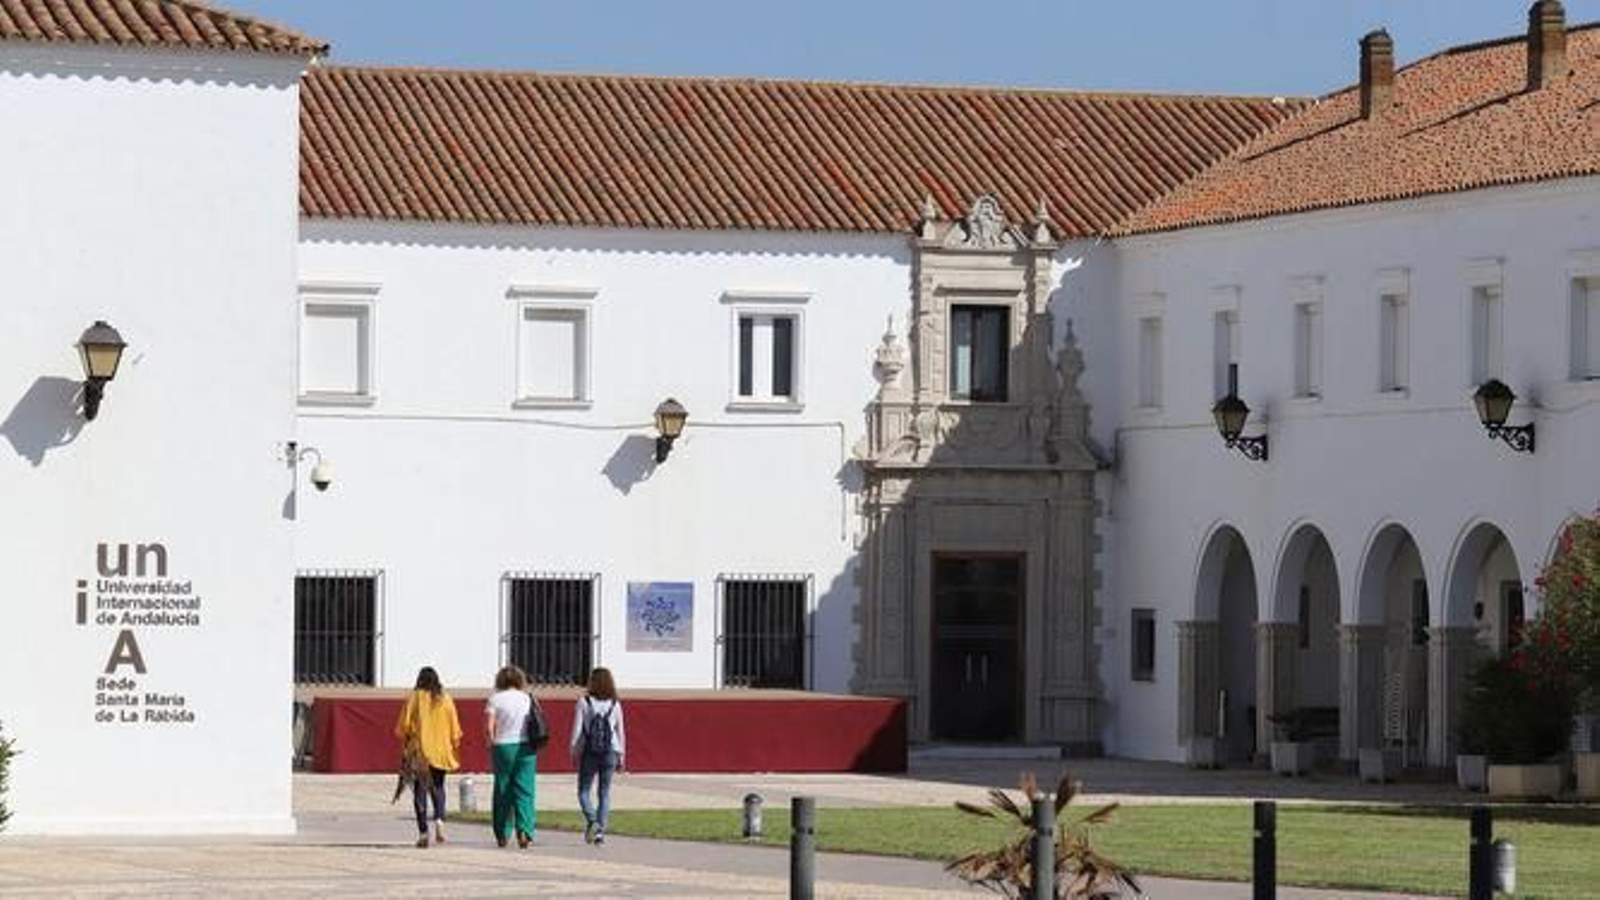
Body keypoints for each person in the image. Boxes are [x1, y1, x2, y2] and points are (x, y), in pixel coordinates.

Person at [393, 666, 462, 848]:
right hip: (440, 751)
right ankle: (439, 819)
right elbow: (455, 730)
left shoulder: (414, 698)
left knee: (420, 791)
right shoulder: (446, 699)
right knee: (438, 787)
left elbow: (404, 727)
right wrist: (454, 744)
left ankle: (423, 832)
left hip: (420, 752)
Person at [570, 666, 626, 845]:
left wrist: (573, 751)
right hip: (611, 750)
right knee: (604, 793)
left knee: (583, 791)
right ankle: (600, 832)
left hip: (590, 751)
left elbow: (577, 730)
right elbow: (620, 731)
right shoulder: (615, 703)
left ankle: (592, 821)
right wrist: (622, 755)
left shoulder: (584, 702)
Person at [485, 664, 539, 848]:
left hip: (502, 746)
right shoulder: (527, 698)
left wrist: (491, 742)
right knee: (525, 791)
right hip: (526, 746)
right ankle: (524, 831)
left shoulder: (495, 699)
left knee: (503, 790)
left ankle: (502, 833)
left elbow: (489, 726)